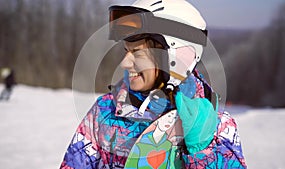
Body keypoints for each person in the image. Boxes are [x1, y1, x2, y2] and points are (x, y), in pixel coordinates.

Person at [60, 0, 247, 168]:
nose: (125, 63)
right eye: (126, 51)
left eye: (138, 53)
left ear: (176, 58)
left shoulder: (215, 125)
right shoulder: (104, 111)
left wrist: (204, 150)